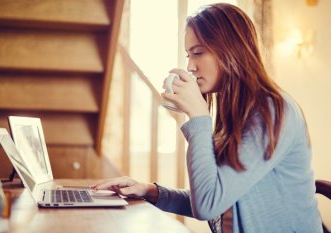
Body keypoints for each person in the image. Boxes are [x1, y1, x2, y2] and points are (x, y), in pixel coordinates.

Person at [92, 3, 322, 233]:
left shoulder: (271, 111)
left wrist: (197, 116)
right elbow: (216, 196)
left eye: (198, 53)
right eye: (188, 55)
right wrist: (150, 191)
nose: (190, 66)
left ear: (231, 50)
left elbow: (208, 205)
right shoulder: (235, 111)